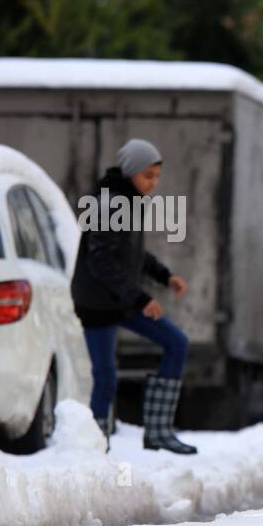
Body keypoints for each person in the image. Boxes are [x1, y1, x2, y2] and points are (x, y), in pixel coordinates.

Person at [71, 139, 196, 454]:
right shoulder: (109, 203)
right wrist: (141, 298)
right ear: (130, 173)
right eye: (147, 176)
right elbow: (100, 261)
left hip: (120, 299)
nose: (153, 183)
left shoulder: (128, 200)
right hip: (98, 302)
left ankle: (157, 431)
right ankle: (95, 447)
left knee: (176, 343)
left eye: (156, 176)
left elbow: (132, 254)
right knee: (106, 377)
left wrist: (164, 276)